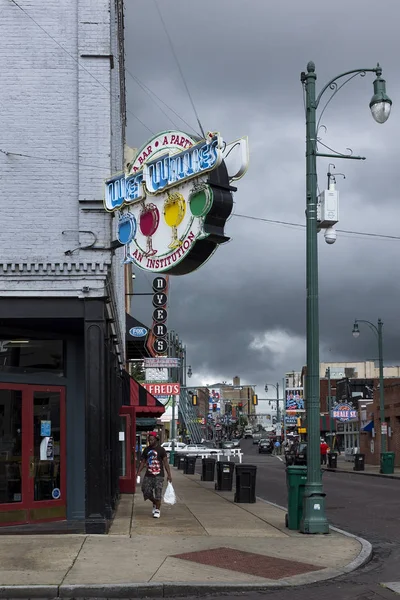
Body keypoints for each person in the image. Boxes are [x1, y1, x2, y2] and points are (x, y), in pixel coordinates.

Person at [137, 432, 172, 519]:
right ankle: (155, 502)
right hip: (148, 474)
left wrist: (169, 474)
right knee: (145, 490)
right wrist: (138, 472)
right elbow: (143, 462)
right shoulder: (146, 450)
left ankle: (157, 510)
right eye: (149, 440)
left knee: (158, 493)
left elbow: (166, 463)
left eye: (152, 439)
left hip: (159, 475)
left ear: (156, 439)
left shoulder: (161, 450)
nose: (150, 441)